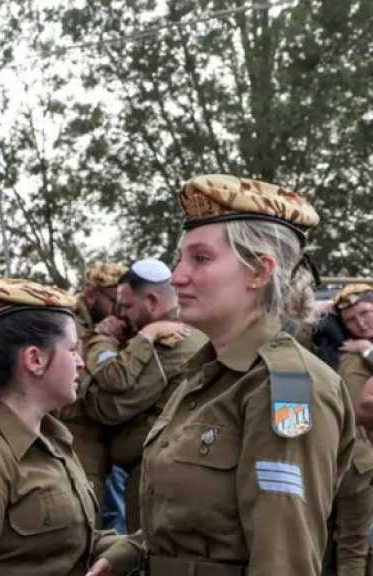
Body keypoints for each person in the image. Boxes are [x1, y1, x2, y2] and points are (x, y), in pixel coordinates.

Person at [91, 174, 357, 575]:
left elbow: (283, 559)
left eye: (200, 258)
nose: (177, 276)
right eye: (181, 258)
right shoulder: (205, 374)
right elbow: (204, 516)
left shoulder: (283, 386)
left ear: (259, 272)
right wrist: (131, 551)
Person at [0, 276, 143, 575]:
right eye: (72, 350)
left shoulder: (52, 437)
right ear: (35, 359)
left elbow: (66, 542)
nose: (81, 363)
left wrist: (129, 549)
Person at [81, 258, 208, 533]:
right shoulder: (187, 330)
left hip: (156, 476)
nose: (121, 315)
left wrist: (100, 341)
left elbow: (108, 408)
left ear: (151, 302)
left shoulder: (170, 342)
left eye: (127, 306)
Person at [57, 261, 127, 527]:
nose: (120, 310)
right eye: (115, 301)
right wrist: (99, 337)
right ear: (91, 296)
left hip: (103, 451)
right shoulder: (69, 323)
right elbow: (74, 378)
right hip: (77, 444)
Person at [325, 284, 373, 576]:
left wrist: (368, 349)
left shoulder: (358, 352)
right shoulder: (347, 355)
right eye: (351, 321)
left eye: (366, 313)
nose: (361, 324)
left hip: (349, 458)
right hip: (357, 459)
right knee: (352, 542)